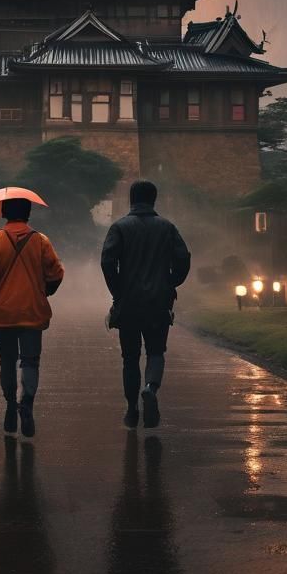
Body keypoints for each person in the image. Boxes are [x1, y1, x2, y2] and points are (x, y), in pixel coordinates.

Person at [100, 180, 190, 429]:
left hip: (128, 303)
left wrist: (117, 290)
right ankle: (150, 387)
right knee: (156, 352)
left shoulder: (120, 227)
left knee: (130, 357)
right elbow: (183, 258)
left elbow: (107, 262)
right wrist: (171, 281)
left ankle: (132, 410)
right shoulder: (167, 227)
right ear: (153, 199)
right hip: (159, 302)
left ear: (131, 199)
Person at [0, 197, 64, 438]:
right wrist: (45, 291)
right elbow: (56, 273)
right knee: (30, 361)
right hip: (32, 310)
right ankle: (27, 404)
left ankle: (10, 407)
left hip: (2, 312)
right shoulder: (41, 241)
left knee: (7, 361)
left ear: (4, 213)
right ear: (28, 214)